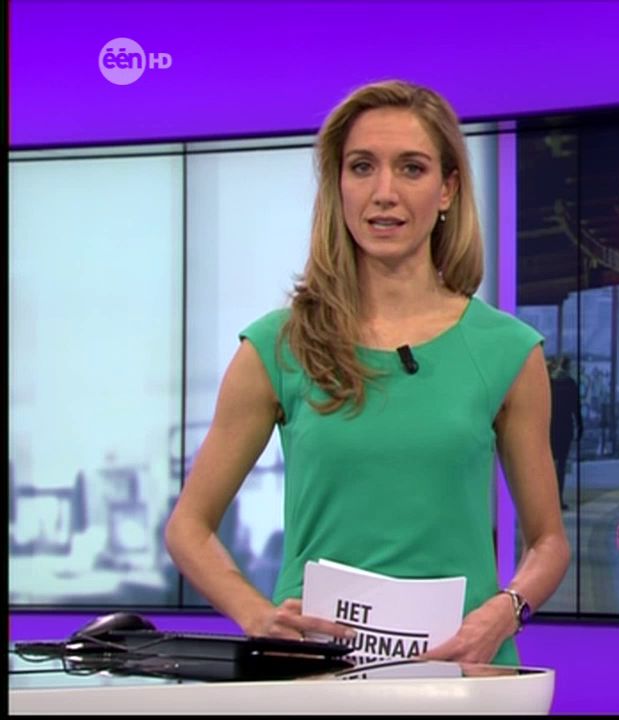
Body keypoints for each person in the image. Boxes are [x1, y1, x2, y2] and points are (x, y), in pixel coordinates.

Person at [164, 80, 569, 667]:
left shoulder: (508, 350)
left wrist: (503, 613)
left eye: (411, 168)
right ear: (338, 186)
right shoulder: (277, 346)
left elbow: (549, 541)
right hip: (317, 674)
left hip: (462, 671)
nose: (385, 193)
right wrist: (258, 617)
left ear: (448, 189)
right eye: (362, 167)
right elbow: (188, 527)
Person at [547, 355, 582, 510]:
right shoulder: (571, 384)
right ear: (568, 367)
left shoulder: (549, 383)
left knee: (548, 465)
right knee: (561, 465)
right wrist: (580, 427)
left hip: (550, 427)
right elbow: (577, 409)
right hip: (565, 427)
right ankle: (558, 499)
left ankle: (546, 500)